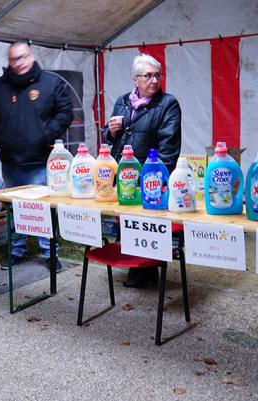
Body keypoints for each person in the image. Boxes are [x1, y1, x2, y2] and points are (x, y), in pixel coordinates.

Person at [0, 41, 73, 271]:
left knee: (42, 208)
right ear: (9, 62)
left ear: (31, 56)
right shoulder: (0, 86)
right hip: (10, 161)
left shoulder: (50, 83)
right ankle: (17, 249)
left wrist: (46, 134)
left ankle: (49, 252)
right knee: (14, 208)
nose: (20, 62)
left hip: (40, 161)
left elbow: (65, 112)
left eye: (24, 56)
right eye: (15, 59)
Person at [104, 54, 182, 288]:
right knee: (124, 222)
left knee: (145, 226)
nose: (154, 80)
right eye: (148, 76)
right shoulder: (122, 101)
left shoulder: (167, 104)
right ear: (135, 79)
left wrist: (154, 179)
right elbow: (109, 138)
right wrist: (110, 131)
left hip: (149, 178)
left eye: (157, 75)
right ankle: (132, 265)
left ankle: (144, 272)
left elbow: (169, 148)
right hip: (122, 174)